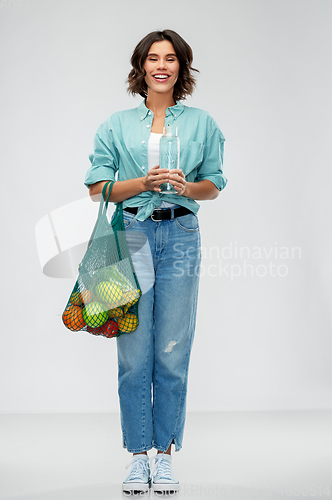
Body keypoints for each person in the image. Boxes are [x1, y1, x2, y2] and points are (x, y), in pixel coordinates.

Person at [84, 29, 227, 494]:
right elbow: (97, 188)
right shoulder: (116, 124)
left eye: (170, 58)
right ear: (141, 67)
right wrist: (142, 183)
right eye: (152, 58)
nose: (161, 65)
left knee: (171, 350)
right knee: (132, 352)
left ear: (181, 67)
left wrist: (186, 188)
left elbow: (215, 183)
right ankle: (136, 456)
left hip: (182, 233)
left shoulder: (203, 123)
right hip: (130, 236)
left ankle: (163, 454)